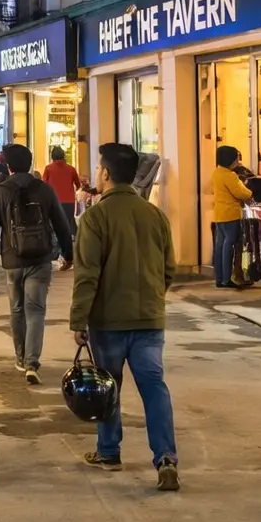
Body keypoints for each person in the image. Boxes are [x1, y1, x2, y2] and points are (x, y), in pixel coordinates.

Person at [70, 143, 179, 492]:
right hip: (149, 319)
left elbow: (87, 275)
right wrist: (152, 299)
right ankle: (165, 458)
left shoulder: (95, 217)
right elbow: (168, 269)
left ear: (105, 173)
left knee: (108, 387)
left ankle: (109, 452)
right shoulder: (155, 215)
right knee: (154, 388)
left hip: (108, 322)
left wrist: (78, 319)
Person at [0, 145, 74, 385]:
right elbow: (62, 225)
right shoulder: (45, 190)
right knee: (36, 310)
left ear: (9, 166)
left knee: (17, 309)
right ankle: (33, 363)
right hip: (40, 259)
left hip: (12, 260)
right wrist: (68, 254)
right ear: (30, 164)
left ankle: (21, 358)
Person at [210, 146, 255, 288]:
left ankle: (219, 278)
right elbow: (242, 193)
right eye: (236, 157)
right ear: (230, 159)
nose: (238, 161)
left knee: (220, 246)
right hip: (231, 214)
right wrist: (249, 191)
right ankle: (227, 279)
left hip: (219, 214)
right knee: (229, 246)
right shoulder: (230, 176)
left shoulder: (216, 173)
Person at [41, 146, 82, 232]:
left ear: (52, 156)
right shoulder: (71, 169)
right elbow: (78, 185)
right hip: (69, 201)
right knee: (69, 222)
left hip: (53, 200)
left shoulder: (48, 169)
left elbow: (44, 185)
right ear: (63, 156)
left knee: (54, 224)